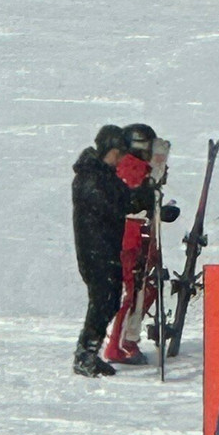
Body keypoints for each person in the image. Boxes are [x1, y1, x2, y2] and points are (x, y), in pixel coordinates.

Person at [72, 125, 152, 376]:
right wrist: (130, 200)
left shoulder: (104, 174)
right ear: (110, 150)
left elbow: (123, 199)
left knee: (109, 300)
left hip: (107, 247)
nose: (120, 159)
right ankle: (86, 354)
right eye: (119, 153)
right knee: (103, 301)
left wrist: (143, 197)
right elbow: (109, 205)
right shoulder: (89, 176)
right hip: (95, 249)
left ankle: (88, 353)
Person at [104, 124, 179, 366]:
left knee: (145, 289)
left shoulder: (141, 170)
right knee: (132, 291)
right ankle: (118, 345)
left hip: (141, 237)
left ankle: (128, 338)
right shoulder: (130, 169)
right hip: (131, 239)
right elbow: (131, 204)